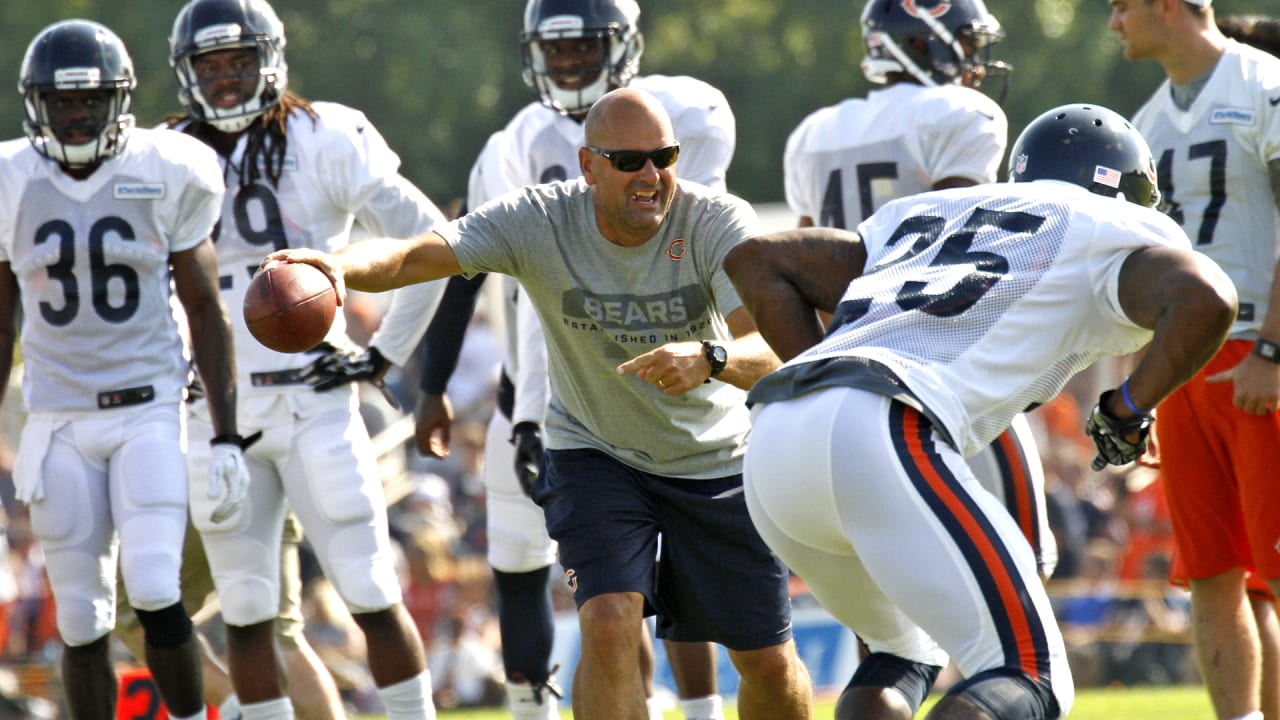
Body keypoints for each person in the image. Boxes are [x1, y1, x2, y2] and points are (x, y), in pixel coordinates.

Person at [267, 87, 814, 720]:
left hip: (713, 457)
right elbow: (416, 254)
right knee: (609, 620)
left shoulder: (717, 220)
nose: (651, 175)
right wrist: (334, 268)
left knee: (766, 662)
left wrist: (711, 358)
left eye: (664, 157)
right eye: (629, 160)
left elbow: (773, 348)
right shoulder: (539, 219)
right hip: (596, 452)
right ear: (587, 166)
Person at [722, 103, 1238, 720]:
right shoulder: (1103, 224)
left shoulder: (929, 212)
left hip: (778, 436)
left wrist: (831, 372)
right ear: (1123, 188)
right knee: (1029, 673)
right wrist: (1127, 409)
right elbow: (1206, 296)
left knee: (903, 655)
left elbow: (759, 258)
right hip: (884, 422)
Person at [398, 2, 731, 718]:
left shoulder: (682, 115)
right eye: (558, 49)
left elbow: (697, 247)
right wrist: (434, 385)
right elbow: (466, 263)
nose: (571, 61)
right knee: (531, 570)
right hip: (540, 384)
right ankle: (534, 709)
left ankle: (697, 709)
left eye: (585, 46)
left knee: (669, 577)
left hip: (660, 380)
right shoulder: (512, 141)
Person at [164, 0, 448, 718]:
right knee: (248, 608)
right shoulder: (162, 157)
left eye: (239, 61)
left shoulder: (327, 137)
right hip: (219, 413)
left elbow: (433, 245)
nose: (226, 79)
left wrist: (382, 354)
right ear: (186, 72)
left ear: (271, 59)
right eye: (210, 65)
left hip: (314, 398)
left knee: (370, 588)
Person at [0, 19, 249, 720]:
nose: (77, 116)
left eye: (90, 101)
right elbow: (0, 325)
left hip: (148, 408)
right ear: (37, 105)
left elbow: (205, 307)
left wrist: (226, 435)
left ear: (120, 101)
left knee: (154, 585)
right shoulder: (10, 179)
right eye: (62, 103)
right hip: (58, 419)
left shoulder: (166, 168)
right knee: (80, 616)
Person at [785, 0, 1059, 587]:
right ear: (918, 43)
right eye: (964, 42)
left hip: (848, 371)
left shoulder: (814, 132)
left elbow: (806, 259)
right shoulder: (960, 114)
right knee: (1020, 563)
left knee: (883, 587)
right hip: (940, 362)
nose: (976, 63)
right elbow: (964, 239)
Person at [1108, 1, 1280, 718]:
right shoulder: (1144, 126)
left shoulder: (1264, 84)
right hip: (1185, 361)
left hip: (1258, 350)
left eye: (1121, 5)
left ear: (1170, 5)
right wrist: (1144, 386)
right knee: (1213, 573)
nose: (1114, 23)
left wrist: (1273, 348)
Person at [115, 513, 346, 720]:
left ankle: (241, 713)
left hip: (201, 490)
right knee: (283, 638)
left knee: (143, 621)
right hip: (267, 486)